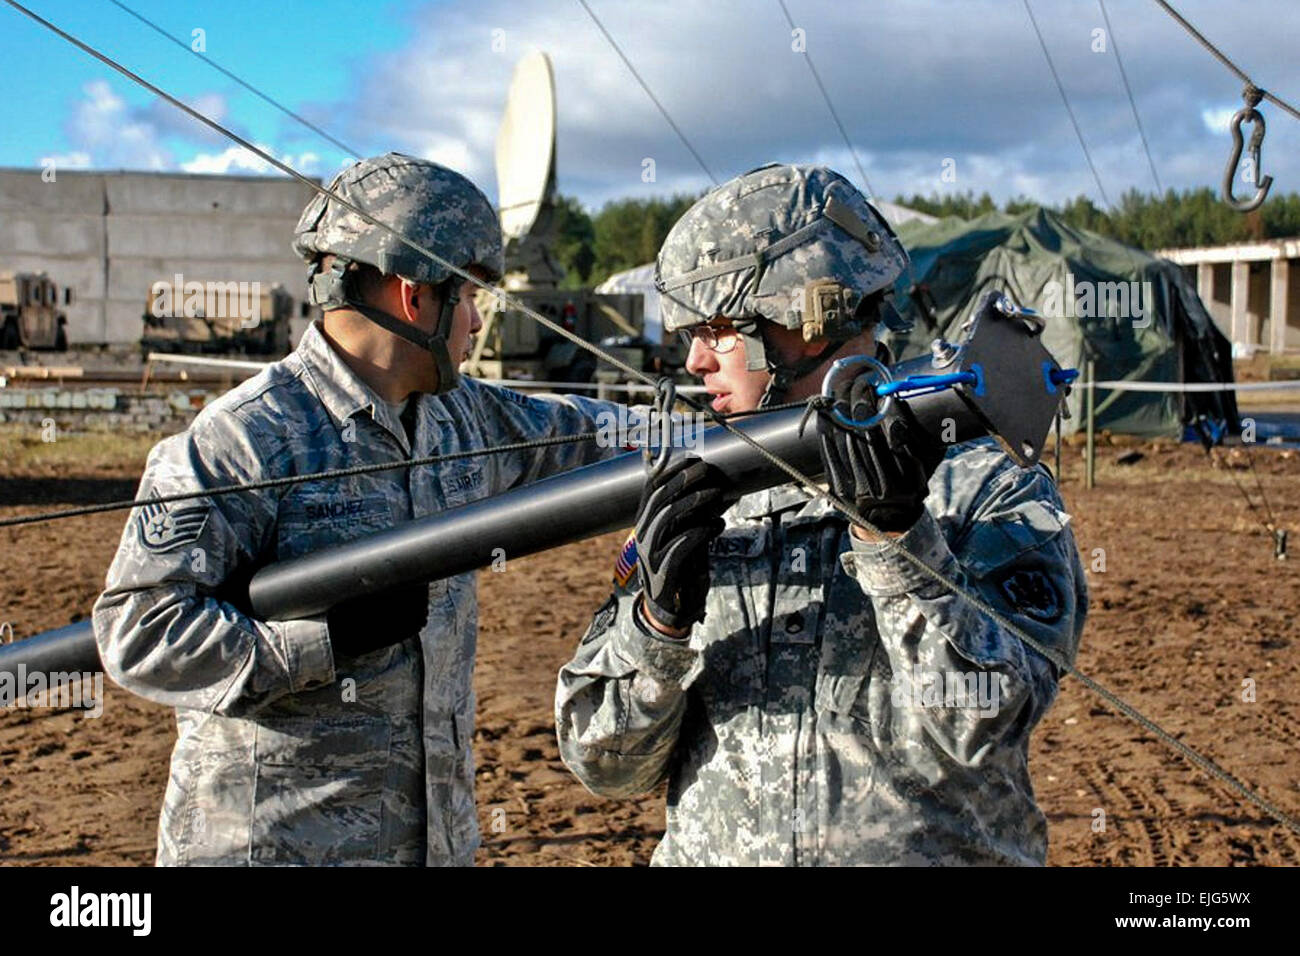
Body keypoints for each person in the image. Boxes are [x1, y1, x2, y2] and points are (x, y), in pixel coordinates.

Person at [94, 153, 631, 866]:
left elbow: (592, 436)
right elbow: (138, 630)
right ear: (414, 296)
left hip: (427, 843)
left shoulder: (461, 419)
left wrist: (734, 426)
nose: (476, 321)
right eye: (468, 296)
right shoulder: (247, 438)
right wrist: (323, 643)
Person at [555, 163, 1088, 866]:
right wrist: (659, 622)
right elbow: (605, 766)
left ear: (806, 320)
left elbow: (986, 721)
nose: (693, 360)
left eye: (716, 328)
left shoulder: (986, 487)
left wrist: (899, 542)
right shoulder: (703, 490)